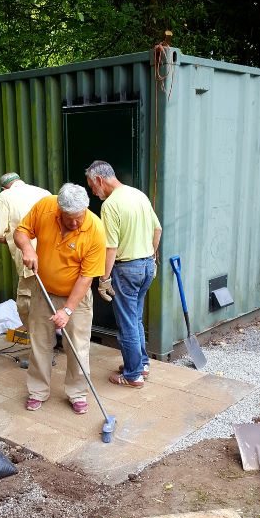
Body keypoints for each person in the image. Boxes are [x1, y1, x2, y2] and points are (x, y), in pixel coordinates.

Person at [14, 183, 106, 414]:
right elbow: (20, 232)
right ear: (59, 209)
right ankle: (37, 391)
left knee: (77, 346)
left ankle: (77, 393)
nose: (75, 223)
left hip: (77, 297)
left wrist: (67, 310)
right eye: (69, 218)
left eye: (79, 217)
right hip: (43, 291)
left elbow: (87, 277)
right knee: (40, 342)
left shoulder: (95, 229)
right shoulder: (45, 207)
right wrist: (27, 248)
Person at [85, 160, 162, 388]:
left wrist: (104, 279)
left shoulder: (110, 205)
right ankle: (141, 364)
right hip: (147, 265)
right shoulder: (138, 195)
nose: (93, 191)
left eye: (91, 186)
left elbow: (111, 247)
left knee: (127, 322)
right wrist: (152, 256)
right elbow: (157, 229)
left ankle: (132, 375)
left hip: (126, 269)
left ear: (99, 180)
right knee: (135, 318)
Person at [0, 172, 50, 327]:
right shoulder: (44, 192)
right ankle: (55, 336)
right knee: (52, 297)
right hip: (53, 255)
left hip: (29, 259)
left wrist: (12, 241)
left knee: (27, 302)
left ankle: (40, 341)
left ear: (3, 188)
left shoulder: (5, 196)